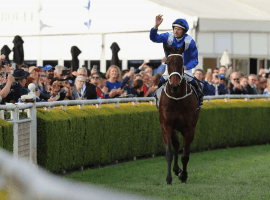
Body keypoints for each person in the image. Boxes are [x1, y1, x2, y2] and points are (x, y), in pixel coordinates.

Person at [150, 15, 203, 107]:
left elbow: (195, 60)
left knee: (196, 85)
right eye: (175, 28)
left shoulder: (190, 41)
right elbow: (153, 38)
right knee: (160, 83)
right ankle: (158, 102)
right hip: (170, 69)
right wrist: (156, 26)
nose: (176, 31)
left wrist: (186, 67)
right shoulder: (167, 36)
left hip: (185, 69)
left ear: (184, 31)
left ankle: (199, 101)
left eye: (179, 29)